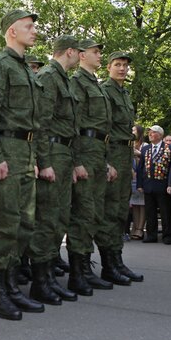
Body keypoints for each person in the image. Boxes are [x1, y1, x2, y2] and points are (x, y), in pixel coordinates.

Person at [0, 9, 47, 318]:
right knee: (4, 224)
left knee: (25, 224)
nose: (34, 31)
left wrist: (33, 158)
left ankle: (10, 286)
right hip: (7, 149)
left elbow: (33, 122)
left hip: (25, 152)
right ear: (11, 32)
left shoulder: (25, 69)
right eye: (28, 27)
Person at [29, 34, 81, 304]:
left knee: (59, 217)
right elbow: (41, 122)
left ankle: (48, 276)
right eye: (78, 52)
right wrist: (44, 161)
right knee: (47, 218)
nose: (80, 57)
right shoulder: (50, 76)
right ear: (70, 52)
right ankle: (40, 281)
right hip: (52, 151)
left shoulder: (62, 78)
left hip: (63, 153)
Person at [67, 38, 115, 295]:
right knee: (83, 213)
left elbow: (101, 129)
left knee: (94, 212)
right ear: (82, 55)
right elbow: (74, 125)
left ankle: (85, 267)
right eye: (95, 52)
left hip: (97, 152)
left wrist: (105, 161)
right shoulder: (77, 84)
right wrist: (76, 161)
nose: (99, 56)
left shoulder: (95, 85)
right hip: (84, 152)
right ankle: (78, 272)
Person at [100, 51, 143, 283]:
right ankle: (109, 264)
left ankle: (117, 260)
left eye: (125, 65)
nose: (122, 69)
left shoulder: (124, 93)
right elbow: (103, 128)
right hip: (113, 152)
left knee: (120, 212)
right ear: (108, 67)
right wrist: (106, 161)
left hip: (125, 153)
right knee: (110, 211)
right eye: (117, 64)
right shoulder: (105, 92)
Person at [139, 125, 171, 244]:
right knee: (150, 212)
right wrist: (140, 184)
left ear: (159, 135)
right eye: (149, 132)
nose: (150, 134)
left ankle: (168, 235)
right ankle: (151, 235)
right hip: (148, 184)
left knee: (166, 212)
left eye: (153, 132)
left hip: (163, 184)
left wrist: (170, 184)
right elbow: (141, 168)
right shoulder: (145, 149)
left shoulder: (169, 148)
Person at [128, 124, 145, 240]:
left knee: (142, 204)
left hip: (142, 178)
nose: (132, 132)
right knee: (134, 204)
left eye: (134, 130)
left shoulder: (145, 146)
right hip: (131, 178)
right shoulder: (129, 144)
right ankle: (134, 226)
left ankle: (140, 228)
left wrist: (139, 154)